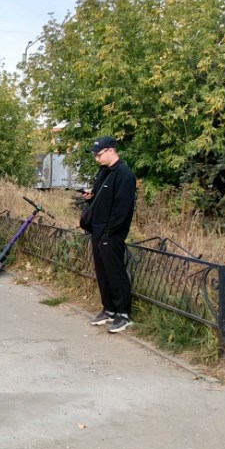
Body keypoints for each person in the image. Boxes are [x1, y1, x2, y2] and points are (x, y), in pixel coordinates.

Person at [79, 136, 137, 333]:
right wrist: (90, 197)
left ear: (111, 150)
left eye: (99, 154)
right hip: (97, 230)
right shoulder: (104, 172)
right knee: (103, 273)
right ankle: (109, 309)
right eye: (95, 154)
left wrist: (109, 231)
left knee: (115, 272)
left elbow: (122, 208)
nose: (96, 158)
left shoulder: (124, 174)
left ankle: (123, 314)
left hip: (111, 234)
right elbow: (101, 198)